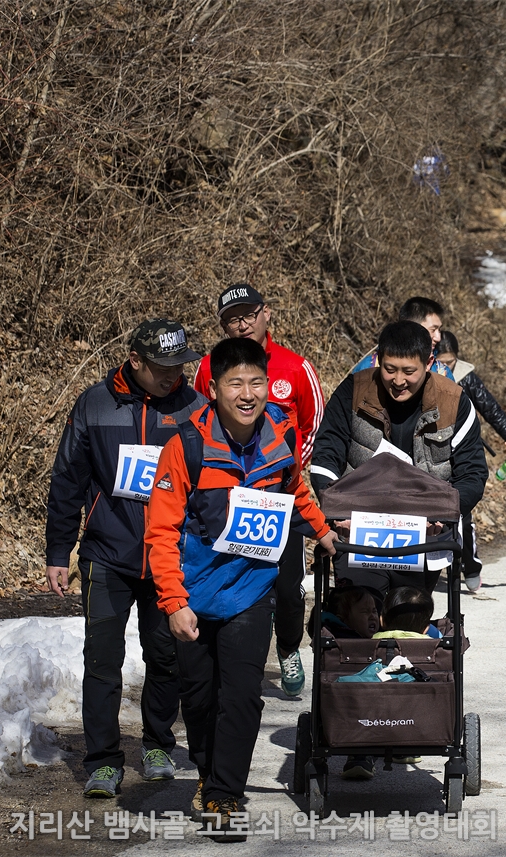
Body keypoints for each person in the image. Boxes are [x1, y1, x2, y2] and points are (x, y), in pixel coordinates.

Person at [147, 337, 338, 839]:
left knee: (242, 695)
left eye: (256, 382)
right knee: (199, 698)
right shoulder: (186, 446)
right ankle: (209, 773)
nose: (248, 394)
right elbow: (161, 531)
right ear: (213, 389)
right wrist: (173, 601)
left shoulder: (280, 434)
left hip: (252, 588)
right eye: (236, 383)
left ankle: (223, 794)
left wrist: (322, 530)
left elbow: (293, 489)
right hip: (194, 592)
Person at [46, 319, 205, 799]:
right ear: (135, 361)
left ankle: (157, 745)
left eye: (180, 365)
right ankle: (102, 760)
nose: (173, 375)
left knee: (166, 657)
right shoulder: (94, 404)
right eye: (162, 367)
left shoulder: (196, 407)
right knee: (101, 660)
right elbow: (68, 478)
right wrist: (58, 550)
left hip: (168, 558)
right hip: (106, 553)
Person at [193, 284, 325, 699]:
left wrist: (284, 469)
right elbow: (197, 424)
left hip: (278, 496)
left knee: (287, 587)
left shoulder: (295, 366)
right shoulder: (207, 367)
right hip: (223, 496)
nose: (242, 323)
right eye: (232, 318)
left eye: (249, 314)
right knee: (230, 577)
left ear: (266, 313)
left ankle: (287, 647)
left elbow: (314, 423)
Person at [310, 321, 488, 594]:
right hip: (358, 528)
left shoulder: (454, 402)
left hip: (423, 531)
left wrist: (444, 514)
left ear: (429, 363)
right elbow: (326, 453)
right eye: (390, 369)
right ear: (378, 359)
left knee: (407, 609)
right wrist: (335, 508)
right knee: (361, 607)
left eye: (409, 371)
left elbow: (472, 473)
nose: (398, 381)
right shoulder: (353, 391)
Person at [434, 331, 506, 592]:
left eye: (450, 362)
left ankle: (470, 566)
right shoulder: (421, 378)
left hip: (461, 453)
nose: (445, 368)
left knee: (463, 514)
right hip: (431, 454)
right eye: (441, 362)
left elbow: (490, 407)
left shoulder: (465, 378)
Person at [349, 296, 455, 379]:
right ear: (412, 327)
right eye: (433, 330)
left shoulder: (442, 373)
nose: (438, 338)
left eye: (439, 330)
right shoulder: (369, 368)